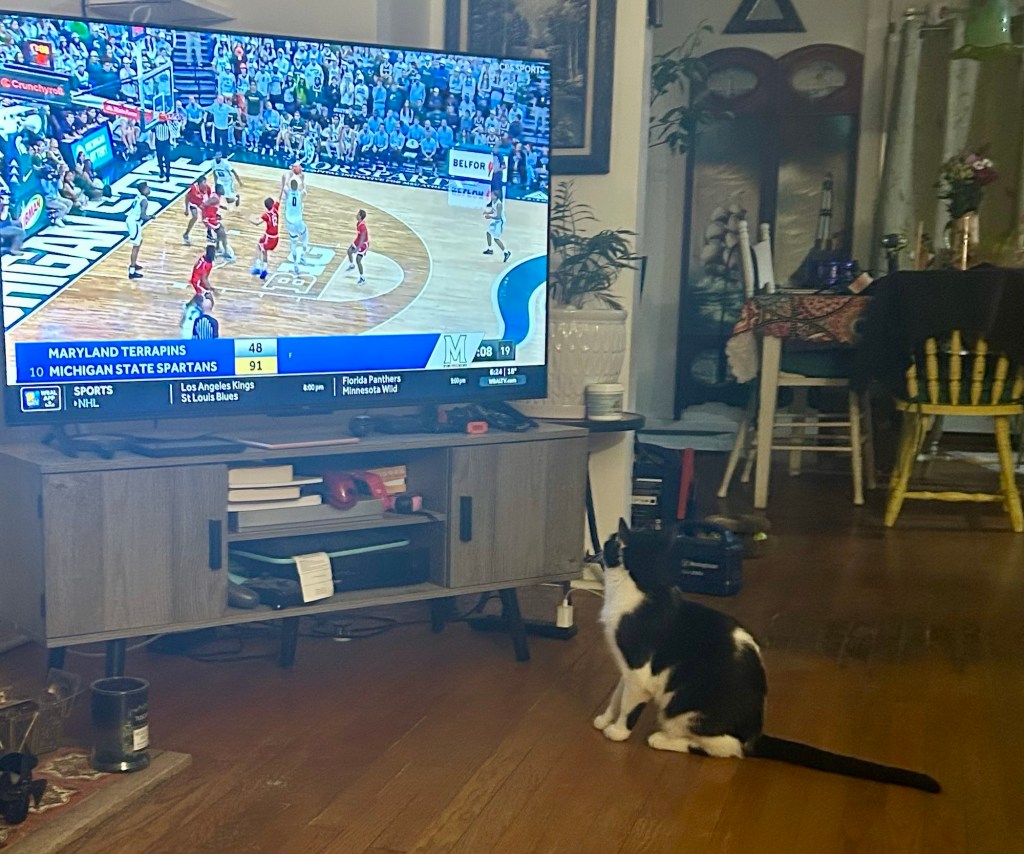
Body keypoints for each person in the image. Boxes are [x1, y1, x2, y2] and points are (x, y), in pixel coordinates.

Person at [281, 175, 309, 273]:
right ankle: (303, 255)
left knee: (293, 242)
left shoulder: (288, 193)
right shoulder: (300, 194)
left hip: (290, 223)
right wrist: (302, 179)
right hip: (298, 221)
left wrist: (286, 179)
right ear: (297, 186)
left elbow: (284, 185)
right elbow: (305, 188)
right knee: (305, 236)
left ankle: (295, 265)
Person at [126, 181, 152, 279]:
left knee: (139, 242)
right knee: (136, 246)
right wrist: (150, 217)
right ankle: (132, 271)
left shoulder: (138, 197)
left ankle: (134, 263)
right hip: (134, 223)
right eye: (147, 188)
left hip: (132, 221)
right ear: (144, 190)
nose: (149, 189)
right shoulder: (144, 201)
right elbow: (143, 216)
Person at [251, 195, 280, 280]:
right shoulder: (275, 209)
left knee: (262, 249)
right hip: (274, 236)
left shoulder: (266, 215)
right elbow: (279, 198)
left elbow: (257, 223)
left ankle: (261, 268)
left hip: (270, 237)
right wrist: (282, 187)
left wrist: (249, 219)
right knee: (260, 244)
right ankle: (260, 267)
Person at [183, 174, 211, 246]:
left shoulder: (208, 188)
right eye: (204, 182)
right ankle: (186, 233)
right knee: (195, 217)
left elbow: (210, 198)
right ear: (199, 183)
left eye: (206, 182)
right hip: (193, 203)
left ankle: (209, 232)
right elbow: (187, 197)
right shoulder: (193, 188)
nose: (205, 184)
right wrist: (186, 209)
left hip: (201, 203)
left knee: (208, 217)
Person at [483, 189, 510, 263]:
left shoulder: (499, 204)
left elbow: (498, 216)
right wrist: (487, 212)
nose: (490, 196)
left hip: (499, 222)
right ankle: (490, 249)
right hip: (495, 220)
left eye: (492, 195)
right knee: (488, 233)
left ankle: (506, 252)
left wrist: (489, 217)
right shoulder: (494, 202)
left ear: (496, 196)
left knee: (496, 238)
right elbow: (493, 210)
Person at [346, 209, 369, 285]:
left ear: (360, 216)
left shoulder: (363, 226)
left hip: (362, 244)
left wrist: (357, 248)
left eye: (358, 214)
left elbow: (363, 239)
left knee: (358, 260)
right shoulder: (358, 223)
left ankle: (362, 278)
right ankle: (352, 265)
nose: (356, 215)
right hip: (358, 241)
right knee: (349, 251)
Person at [151, 115, 173, 182]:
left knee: (167, 159)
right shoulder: (156, 124)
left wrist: (172, 142)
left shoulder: (168, 124)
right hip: (159, 143)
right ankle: (161, 171)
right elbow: (152, 132)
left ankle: (168, 173)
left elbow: (172, 133)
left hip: (166, 143)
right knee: (159, 159)